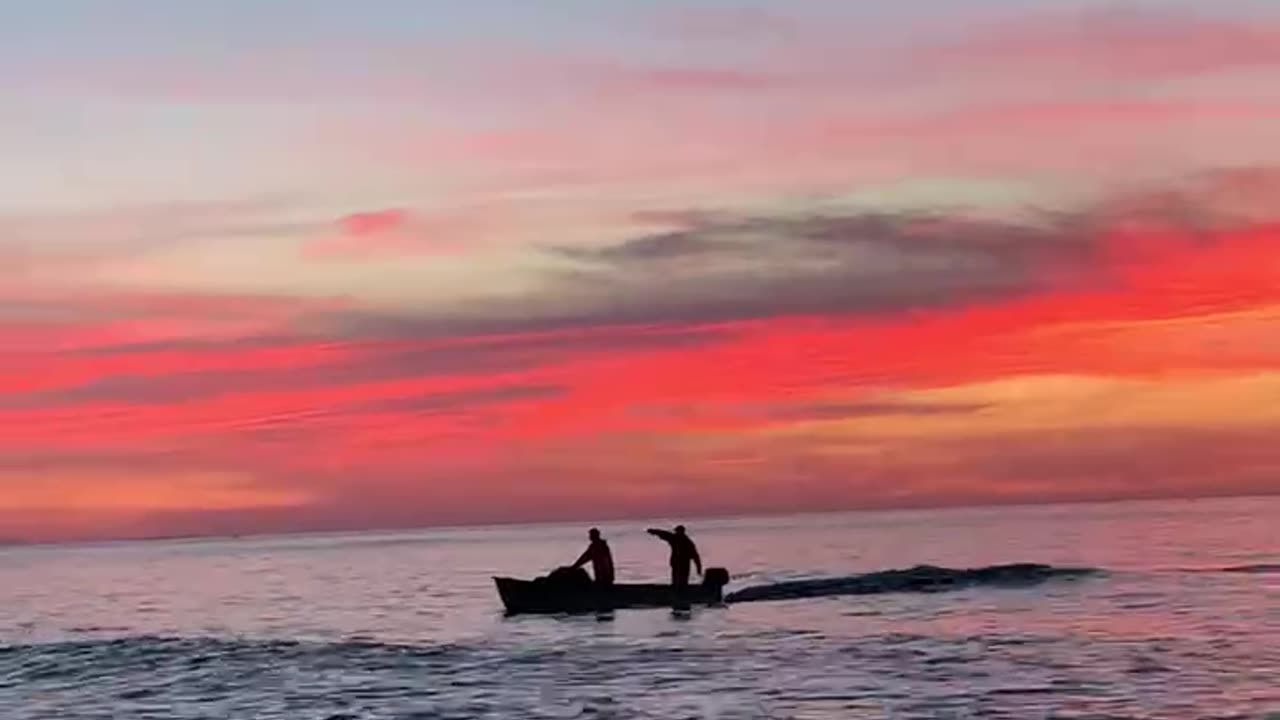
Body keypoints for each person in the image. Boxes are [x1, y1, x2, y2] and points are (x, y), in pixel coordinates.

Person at [646, 524, 701, 589]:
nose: (677, 533)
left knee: (683, 579)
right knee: (676, 578)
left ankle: (682, 590)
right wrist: (653, 531)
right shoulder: (674, 539)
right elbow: (664, 533)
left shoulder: (687, 542)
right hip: (676, 562)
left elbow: (695, 556)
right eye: (676, 531)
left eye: (678, 531)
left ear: (682, 531)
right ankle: (677, 589)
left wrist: (698, 568)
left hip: (684, 563)